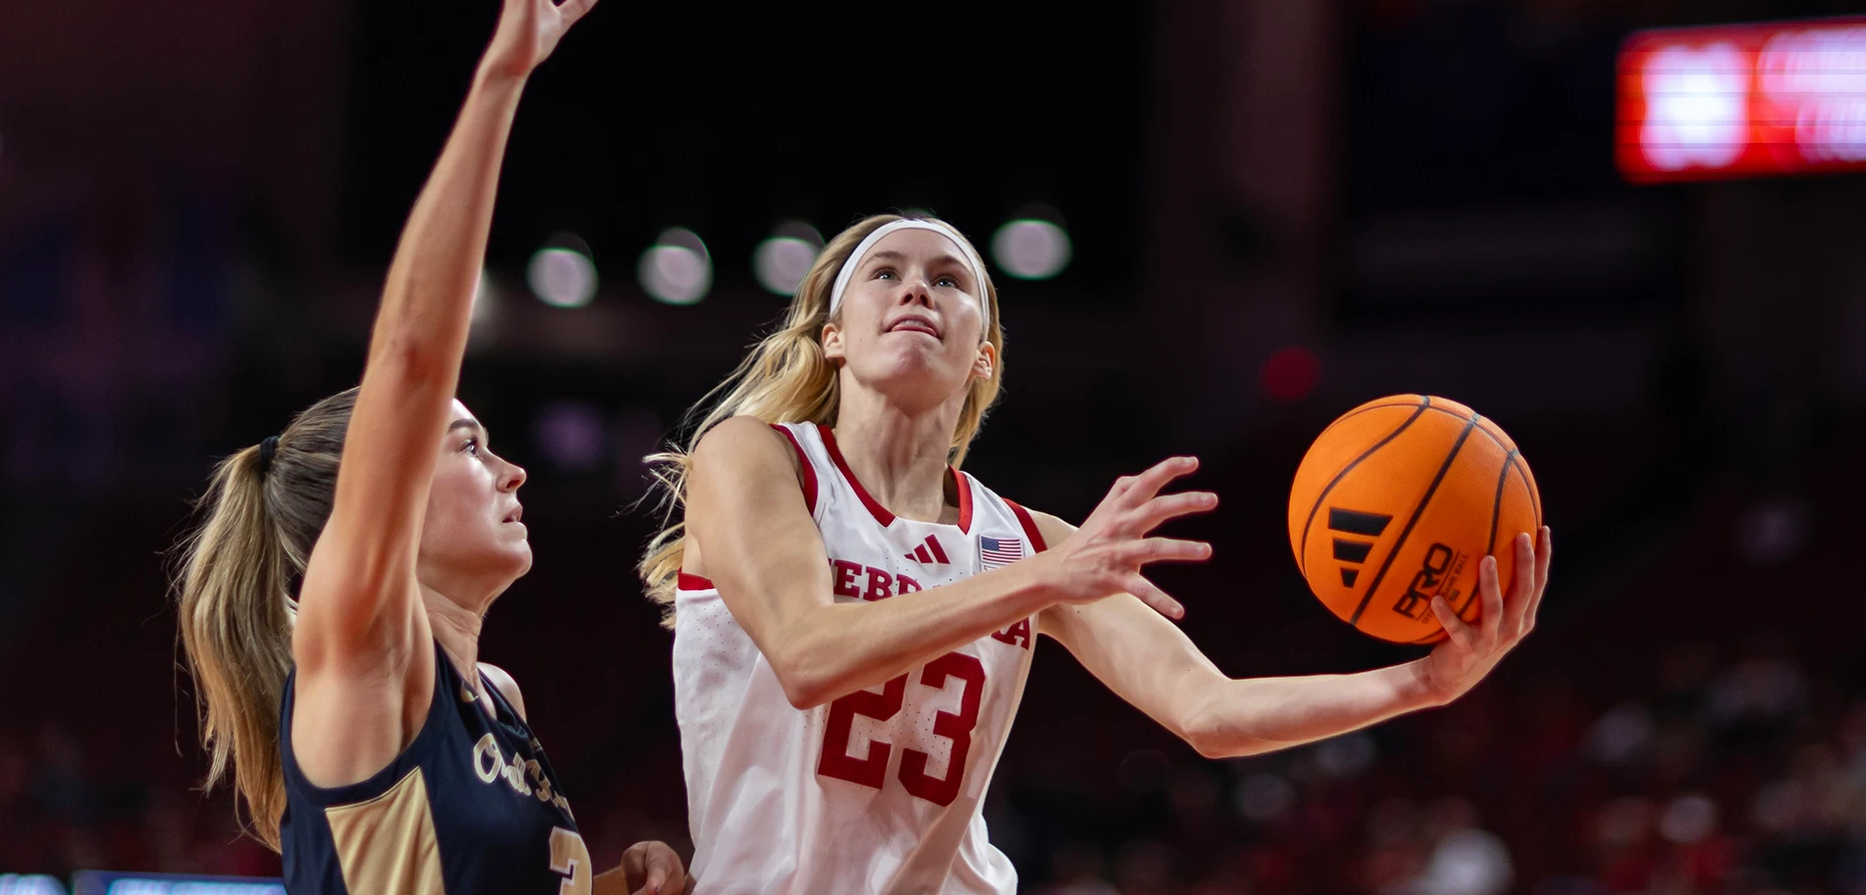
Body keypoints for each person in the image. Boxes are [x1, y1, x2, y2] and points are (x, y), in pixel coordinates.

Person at [641, 214, 1552, 894]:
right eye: (885, 273)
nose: (918, 289)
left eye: (951, 281)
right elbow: (807, 654)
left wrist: (1421, 685)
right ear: (834, 337)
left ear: (982, 358)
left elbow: (1210, 708)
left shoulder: (1030, 542)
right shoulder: (756, 457)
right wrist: (1039, 581)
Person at [174, 0, 689, 895]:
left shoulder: (493, 692)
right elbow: (410, 356)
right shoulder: (358, 634)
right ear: (384, 494)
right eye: (467, 444)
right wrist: (499, 85)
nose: (513, 473)